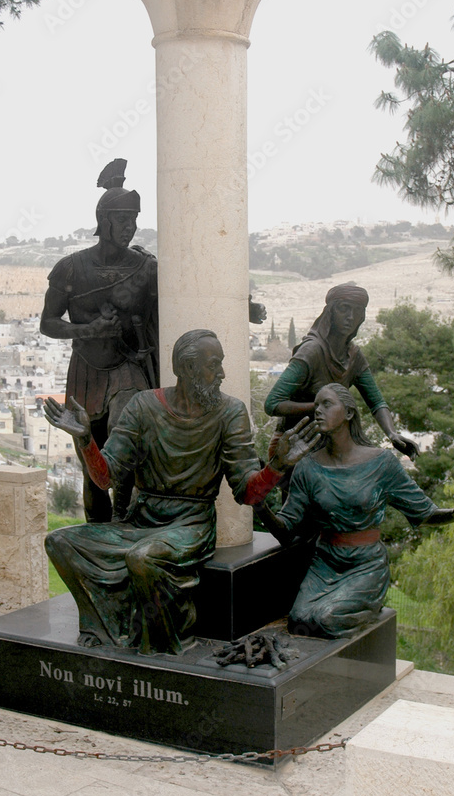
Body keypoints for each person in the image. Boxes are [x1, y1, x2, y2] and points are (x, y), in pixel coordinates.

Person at [43, 329, 316, 655]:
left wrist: (277, 467)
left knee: (143, 558)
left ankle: (165, 642)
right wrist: (86, 440)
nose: (222, 374)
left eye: (221, 364)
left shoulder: (230, 413)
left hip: (191, 526)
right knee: (60, 542)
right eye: (213, 365)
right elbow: (106, 479)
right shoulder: (143, 406)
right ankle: (109, 629)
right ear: (187, 369)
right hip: (141, 523)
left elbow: (248, 493)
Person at [258, 383, 454, 639]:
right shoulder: (307, 467)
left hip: (366, 563)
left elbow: (423, 513)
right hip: (325, 562)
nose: (318, 410)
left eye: (327, 404)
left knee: (326, 620)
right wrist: (259, 504)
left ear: (350, 413)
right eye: (316, 404)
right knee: (299, 621)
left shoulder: (382, 463)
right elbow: (287, 532)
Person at [40, 162, 158, 523]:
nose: (130, 227)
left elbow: (185, 295)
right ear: (103, 221)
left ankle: (124, 518)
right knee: (91, 465)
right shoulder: (71, 268)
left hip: (128, 368)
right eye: (123, 219)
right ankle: (97, 533)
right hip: (87, 369)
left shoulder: (145, 268)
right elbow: (48, 323)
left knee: (126, 442)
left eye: (134, 220)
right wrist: (89, 330)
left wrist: (243, 305)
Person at [264, 283, 418, 460]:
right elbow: (272, 403)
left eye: (357, 311)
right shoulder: (312, 351)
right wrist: (321, 407)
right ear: (330, 312)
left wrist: (392, 434)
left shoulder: (354, 356)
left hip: (334, 446)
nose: (350, 317)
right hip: (295, 446)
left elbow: (376, 402)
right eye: (344, 309)